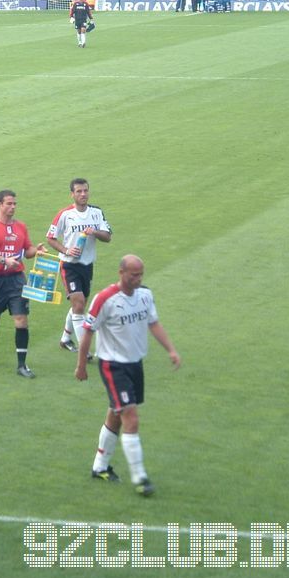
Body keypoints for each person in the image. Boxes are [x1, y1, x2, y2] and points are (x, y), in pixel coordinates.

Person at [75, 255, 181, 496]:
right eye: (134, 274)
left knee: (116, 412)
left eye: (141, 274)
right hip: (113, 366)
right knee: (131, 417)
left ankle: (100, 466)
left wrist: (171, 350)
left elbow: (153, 323)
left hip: (135, 364)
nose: (138, 278)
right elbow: (88, 333)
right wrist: (81, 365)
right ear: (121, 272)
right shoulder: (105, 299)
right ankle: (140, 477)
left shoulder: (145, 295)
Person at [0, 190, 46, 379]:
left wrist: (36, 251)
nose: (13, 207)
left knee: (21, 319)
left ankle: (22, 365)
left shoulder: (21, 227)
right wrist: (3, 260)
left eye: (15, 204)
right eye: (9, 203)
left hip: (17, 280)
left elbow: (27, 250)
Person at [46, 178, 111, 357]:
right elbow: (50, 238)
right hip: (69, 265)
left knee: (79, 305)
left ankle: (65, 338)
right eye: (79, 192)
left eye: (85, 191)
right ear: (72, 194)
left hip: (87, 265)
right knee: (79, 303)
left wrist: (95, 232)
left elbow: (107, 237)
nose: (83, 194)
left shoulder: (96, 213)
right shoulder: (65, 214)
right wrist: (66, 250)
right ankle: (85, 350)